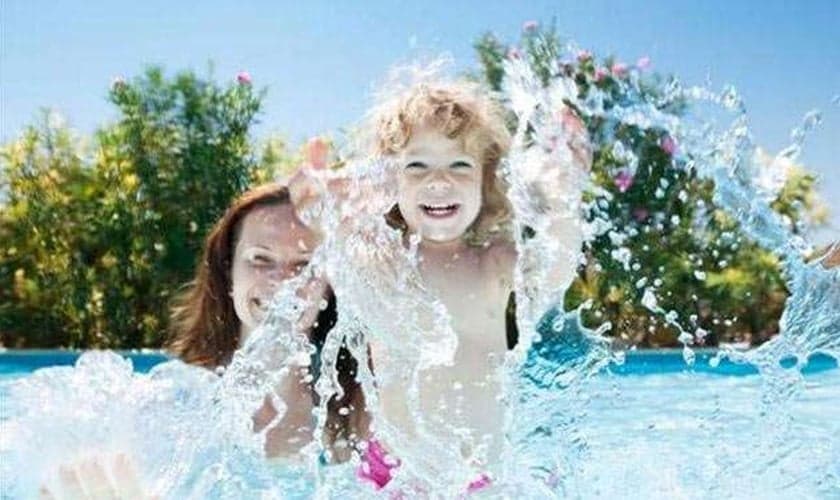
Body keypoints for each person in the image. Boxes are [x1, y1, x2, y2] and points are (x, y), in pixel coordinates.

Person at [293, 78, 591, 490]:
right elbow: (326, 243)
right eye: (417, 166)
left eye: (459, 165)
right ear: (387, 180)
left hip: (481, 479)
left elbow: (556, 269)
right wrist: (317, 203)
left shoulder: (493, 264)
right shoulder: (383, 261)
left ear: (486, 181)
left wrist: (562, 199)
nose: (439, 181)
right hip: (394, 476)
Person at [41, 182, 369, 498]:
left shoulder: (360, 408)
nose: (281, 282)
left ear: (328, 280)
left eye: (303, 264)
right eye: (260, 259)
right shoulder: (173, 406)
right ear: (228, 272)